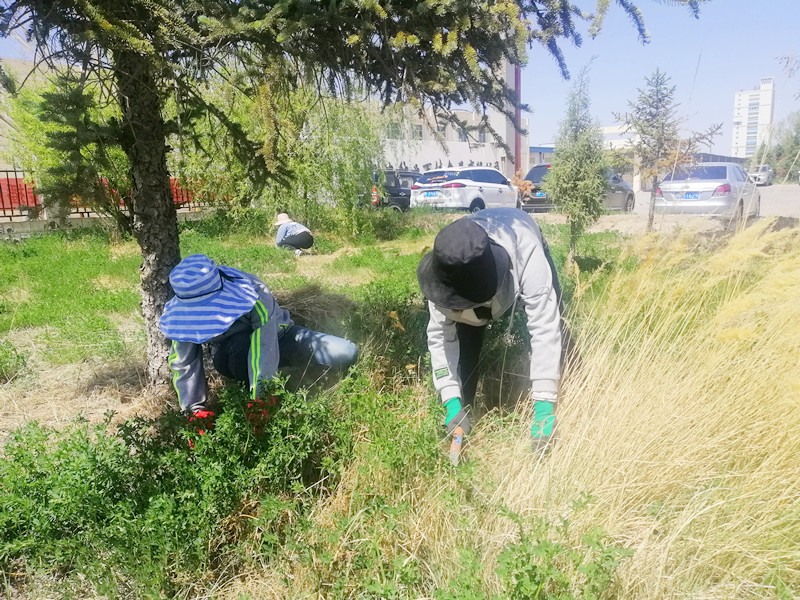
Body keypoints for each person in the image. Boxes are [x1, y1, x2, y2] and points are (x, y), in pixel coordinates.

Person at [416, 208, 563, 457]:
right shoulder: (445, 269)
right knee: (467, 345)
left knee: (560, 320)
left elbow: (544, 326)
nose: (455, 310)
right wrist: (451, 400)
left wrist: (543, 409)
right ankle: (463, 416)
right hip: (470, 265)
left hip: (522, 234)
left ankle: (554, 390)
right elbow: (441, 337)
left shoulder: (528, 255)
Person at [158, 254, 358, 429]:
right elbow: (183, 362)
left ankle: (269, 380)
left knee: (347, 352)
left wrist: (261, 399)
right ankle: (249, 384)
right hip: (231, 354)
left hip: (280, 338)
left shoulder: (255, 291)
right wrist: (193, 411)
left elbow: (264, 346)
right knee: (240, 344)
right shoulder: (184, 314)